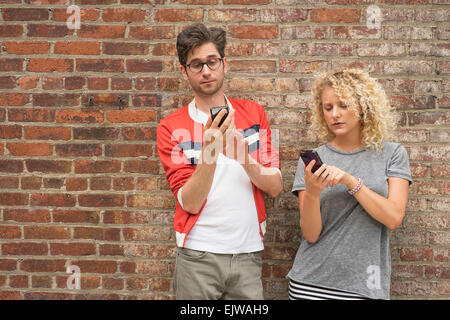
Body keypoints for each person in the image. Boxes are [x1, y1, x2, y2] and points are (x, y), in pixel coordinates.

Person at [156, 23, 282, 300]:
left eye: (212, 62)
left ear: (224, 63)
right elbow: (189, 202)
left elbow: (275, 186)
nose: (206, 71)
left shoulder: (254, 114)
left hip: (247, 253)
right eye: (196, 64)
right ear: (184, 70)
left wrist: (243, 159)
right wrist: (211, 147)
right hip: (197, 256)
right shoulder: (171, 127)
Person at [288, 69, 412, 300]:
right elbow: (311, 235)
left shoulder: (393, 154)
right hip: (311, 283)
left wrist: (351, 181)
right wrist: (313, 194)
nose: (335, 114)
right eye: (328, 107)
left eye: (343, 105)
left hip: (365, 286)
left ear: (364, 106)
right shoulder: (313, 159)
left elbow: (393, 218)